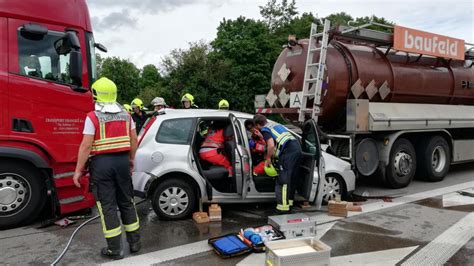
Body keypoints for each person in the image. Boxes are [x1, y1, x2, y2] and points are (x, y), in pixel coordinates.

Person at [73, 77, 140, 260]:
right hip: (122, 163)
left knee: (108, 206)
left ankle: (115, 250)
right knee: (127, 201)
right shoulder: (127, 115)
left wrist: (78, 170)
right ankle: (135, 243)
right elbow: (134, 140)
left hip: (101, 165)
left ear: (95, 95)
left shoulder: (92, 117)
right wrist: (131, 159)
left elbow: (86, 146)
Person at [253, 114, 302, 213]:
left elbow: (271, 145)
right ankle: (289, 203)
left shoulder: (265, 130)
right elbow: (277, 140)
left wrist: (268, 158)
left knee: (283, 179)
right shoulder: (275, 125)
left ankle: (282, 209)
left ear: (258, 125)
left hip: (288, 152)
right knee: (291, 178)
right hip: (296, 149)